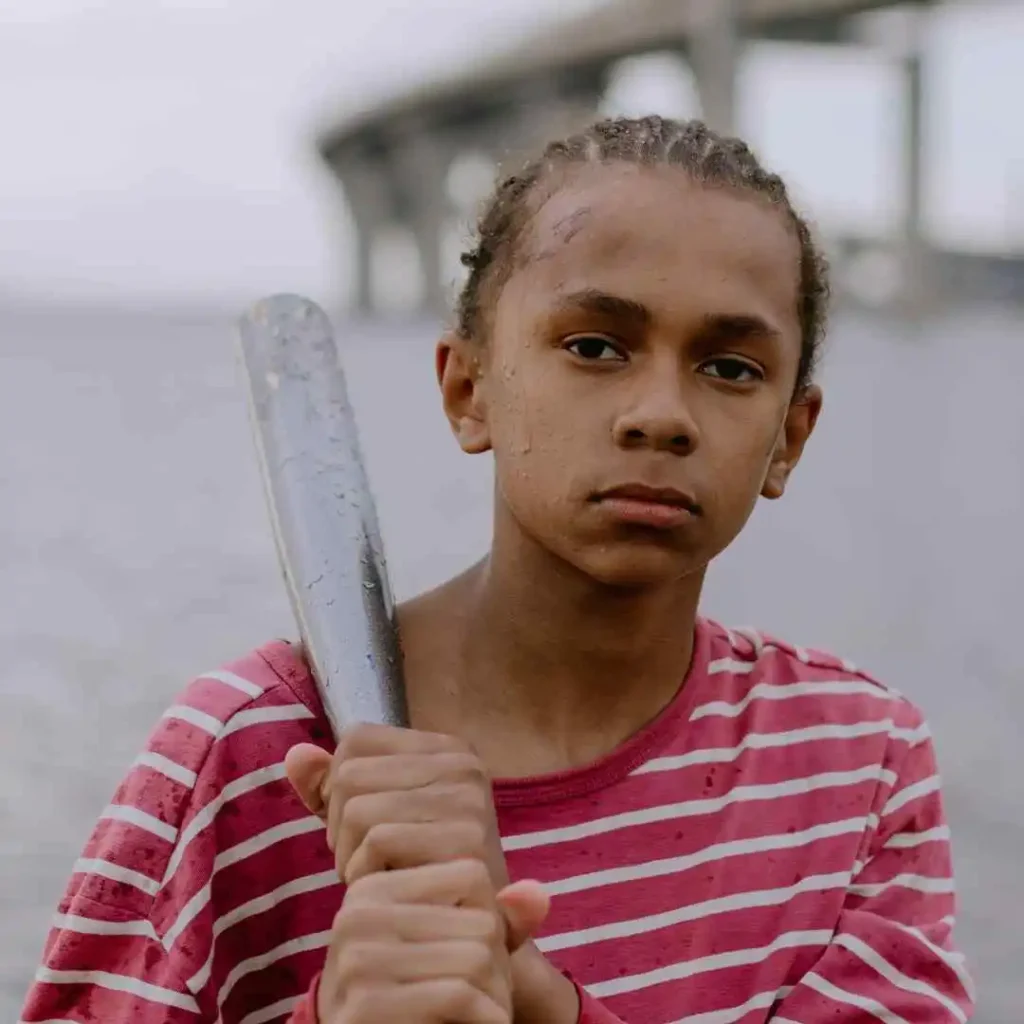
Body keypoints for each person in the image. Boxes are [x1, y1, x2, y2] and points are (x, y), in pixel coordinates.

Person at [20, 115, 975, 1024]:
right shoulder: (250, 751)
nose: (661, 414)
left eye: (729, 367)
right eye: (594, 346)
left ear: (789, 440)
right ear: (468, 389)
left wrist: (537, 1000)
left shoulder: (856, 762)